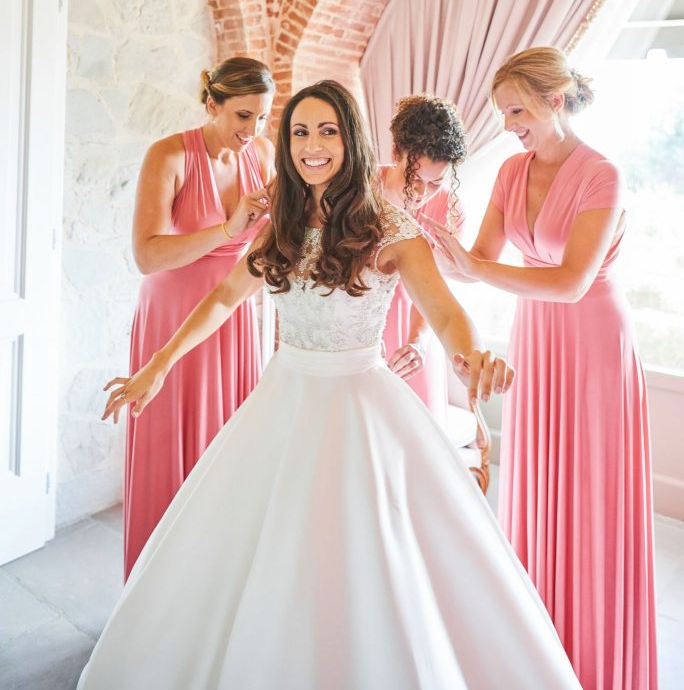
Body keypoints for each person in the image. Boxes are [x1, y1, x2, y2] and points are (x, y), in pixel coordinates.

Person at [78, 80, 580, 690]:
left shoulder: (391, 228)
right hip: (281, 402)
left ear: (351, 140)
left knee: (363, 558)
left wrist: (470, 357)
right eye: (299, 132)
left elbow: (447, 313)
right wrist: (157, 365)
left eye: (327, 131)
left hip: (360, 406)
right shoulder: (281, 223)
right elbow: (225, 297)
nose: (311, 146)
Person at [424, 47, 657, 690]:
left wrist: (474, 266)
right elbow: (473, 263)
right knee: (538, 479)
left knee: (589, 494)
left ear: (555, 101)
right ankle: (538, 643)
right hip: (538, 338)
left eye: (517, 111)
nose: (508, 126)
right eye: (503, 114)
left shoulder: (602, 175)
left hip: (594, 342)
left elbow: (573, 282)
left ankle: (595, 652)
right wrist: (420, 241)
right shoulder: (510, 172)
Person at [123, 56, 275, 577]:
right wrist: (229, 230)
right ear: (212, 104)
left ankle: (215, 586)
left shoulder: (262, 154)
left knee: (227, 450)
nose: (252, 130)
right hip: (171, 313)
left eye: (262, 118)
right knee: (168, 449)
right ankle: (157, 588)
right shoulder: (168, 155)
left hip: (233, 317)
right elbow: (147, 255)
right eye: (242, 116)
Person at [380, 95, 467, 426]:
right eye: (414, 177)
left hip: (417, 332)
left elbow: (434, 290)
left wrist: (417, 342)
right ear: (395, 153)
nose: (421, 192)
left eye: (435, 183)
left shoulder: (450, 210)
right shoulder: (362, 191)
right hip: (362, 322)